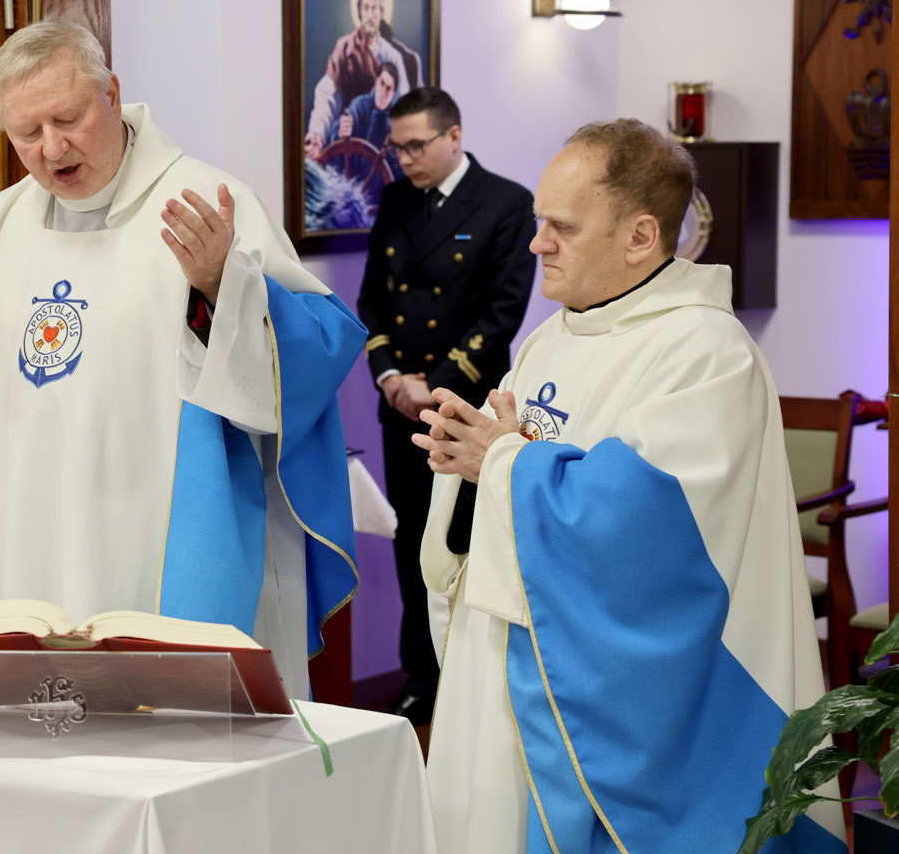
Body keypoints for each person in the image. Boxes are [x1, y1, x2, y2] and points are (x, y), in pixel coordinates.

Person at [0, 20, 365, 697]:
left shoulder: (206, 204)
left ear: (112, 94)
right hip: (22, 536)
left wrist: (224, 286)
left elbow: (315, 349)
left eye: (67, 119)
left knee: (157, 720)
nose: (52, 148)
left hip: (152, 531)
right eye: (27, 133)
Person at [413, 119, 843, 853]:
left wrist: (505, 464)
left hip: (640, 707)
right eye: (539, 221)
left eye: (562, 227)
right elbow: (510, 459)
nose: (537, 244)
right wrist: (470, 458)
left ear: (640, 236)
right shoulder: (552, 338)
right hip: (514, 655)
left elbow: (645, 518)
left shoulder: (707, 353)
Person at [354, 86, 534, 724]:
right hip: (400, 406)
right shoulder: (397, 200)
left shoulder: (507, 202)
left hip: (464, 407)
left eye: (415, 146)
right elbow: (372, 298)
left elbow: (501, 314)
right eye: (396, 148)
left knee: (465, 538)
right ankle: (422, 673)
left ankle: (471, 674)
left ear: (453, 137)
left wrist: (432, 382)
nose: (404, 159)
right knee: (413, 541)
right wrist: (388, 375)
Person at [303, 0, 423, 158]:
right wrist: (317, 133)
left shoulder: (393, 56)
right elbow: (327, 96)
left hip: (382, 150)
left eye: (375, 8)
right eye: (365, 8)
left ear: (381, 12)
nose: (370, 15)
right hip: (347, 144)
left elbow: (404, 106)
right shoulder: (345, 48)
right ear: (359, 11)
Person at [337, 61, 400, 156]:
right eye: (382, 83)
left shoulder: (396, 121)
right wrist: (340, 133)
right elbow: (336, 147)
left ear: (393, 94)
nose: (383, 92)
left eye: (388, 88)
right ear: (376, 81)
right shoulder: (358, 106)